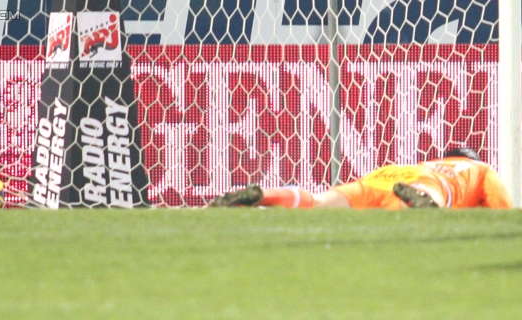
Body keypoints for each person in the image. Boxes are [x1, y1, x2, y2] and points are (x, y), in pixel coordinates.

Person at [209, 147, 513, 209]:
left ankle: (265, 195)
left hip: (386, 175)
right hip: (424, 185)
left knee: (320, 203)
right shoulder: (481, 170)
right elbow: (503, 212)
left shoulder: (430, 161)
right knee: (430, 197)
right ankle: (423, 205)